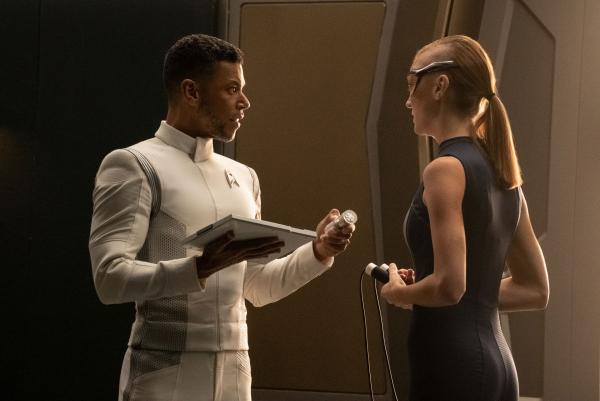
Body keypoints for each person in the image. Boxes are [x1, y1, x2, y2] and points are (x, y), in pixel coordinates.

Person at [89, 34, 354, 401]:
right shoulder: (134, 164)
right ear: (191, 91)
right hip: (163, 374)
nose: (245, 101)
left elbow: (257, 287)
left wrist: (319, 252)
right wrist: (198, 269)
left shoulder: (245, 177)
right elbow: (109, 278)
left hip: (235, 375)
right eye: (232, 89)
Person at [379, 35, 549, 401]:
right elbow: (534, 289)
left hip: (453, 368)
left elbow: (449, 287)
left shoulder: (444, 170)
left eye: (412, 83)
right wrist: (441, 292)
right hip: (498, 368)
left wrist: (401, 292)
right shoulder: (506, 176)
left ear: (440, 85)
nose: (408, 100)